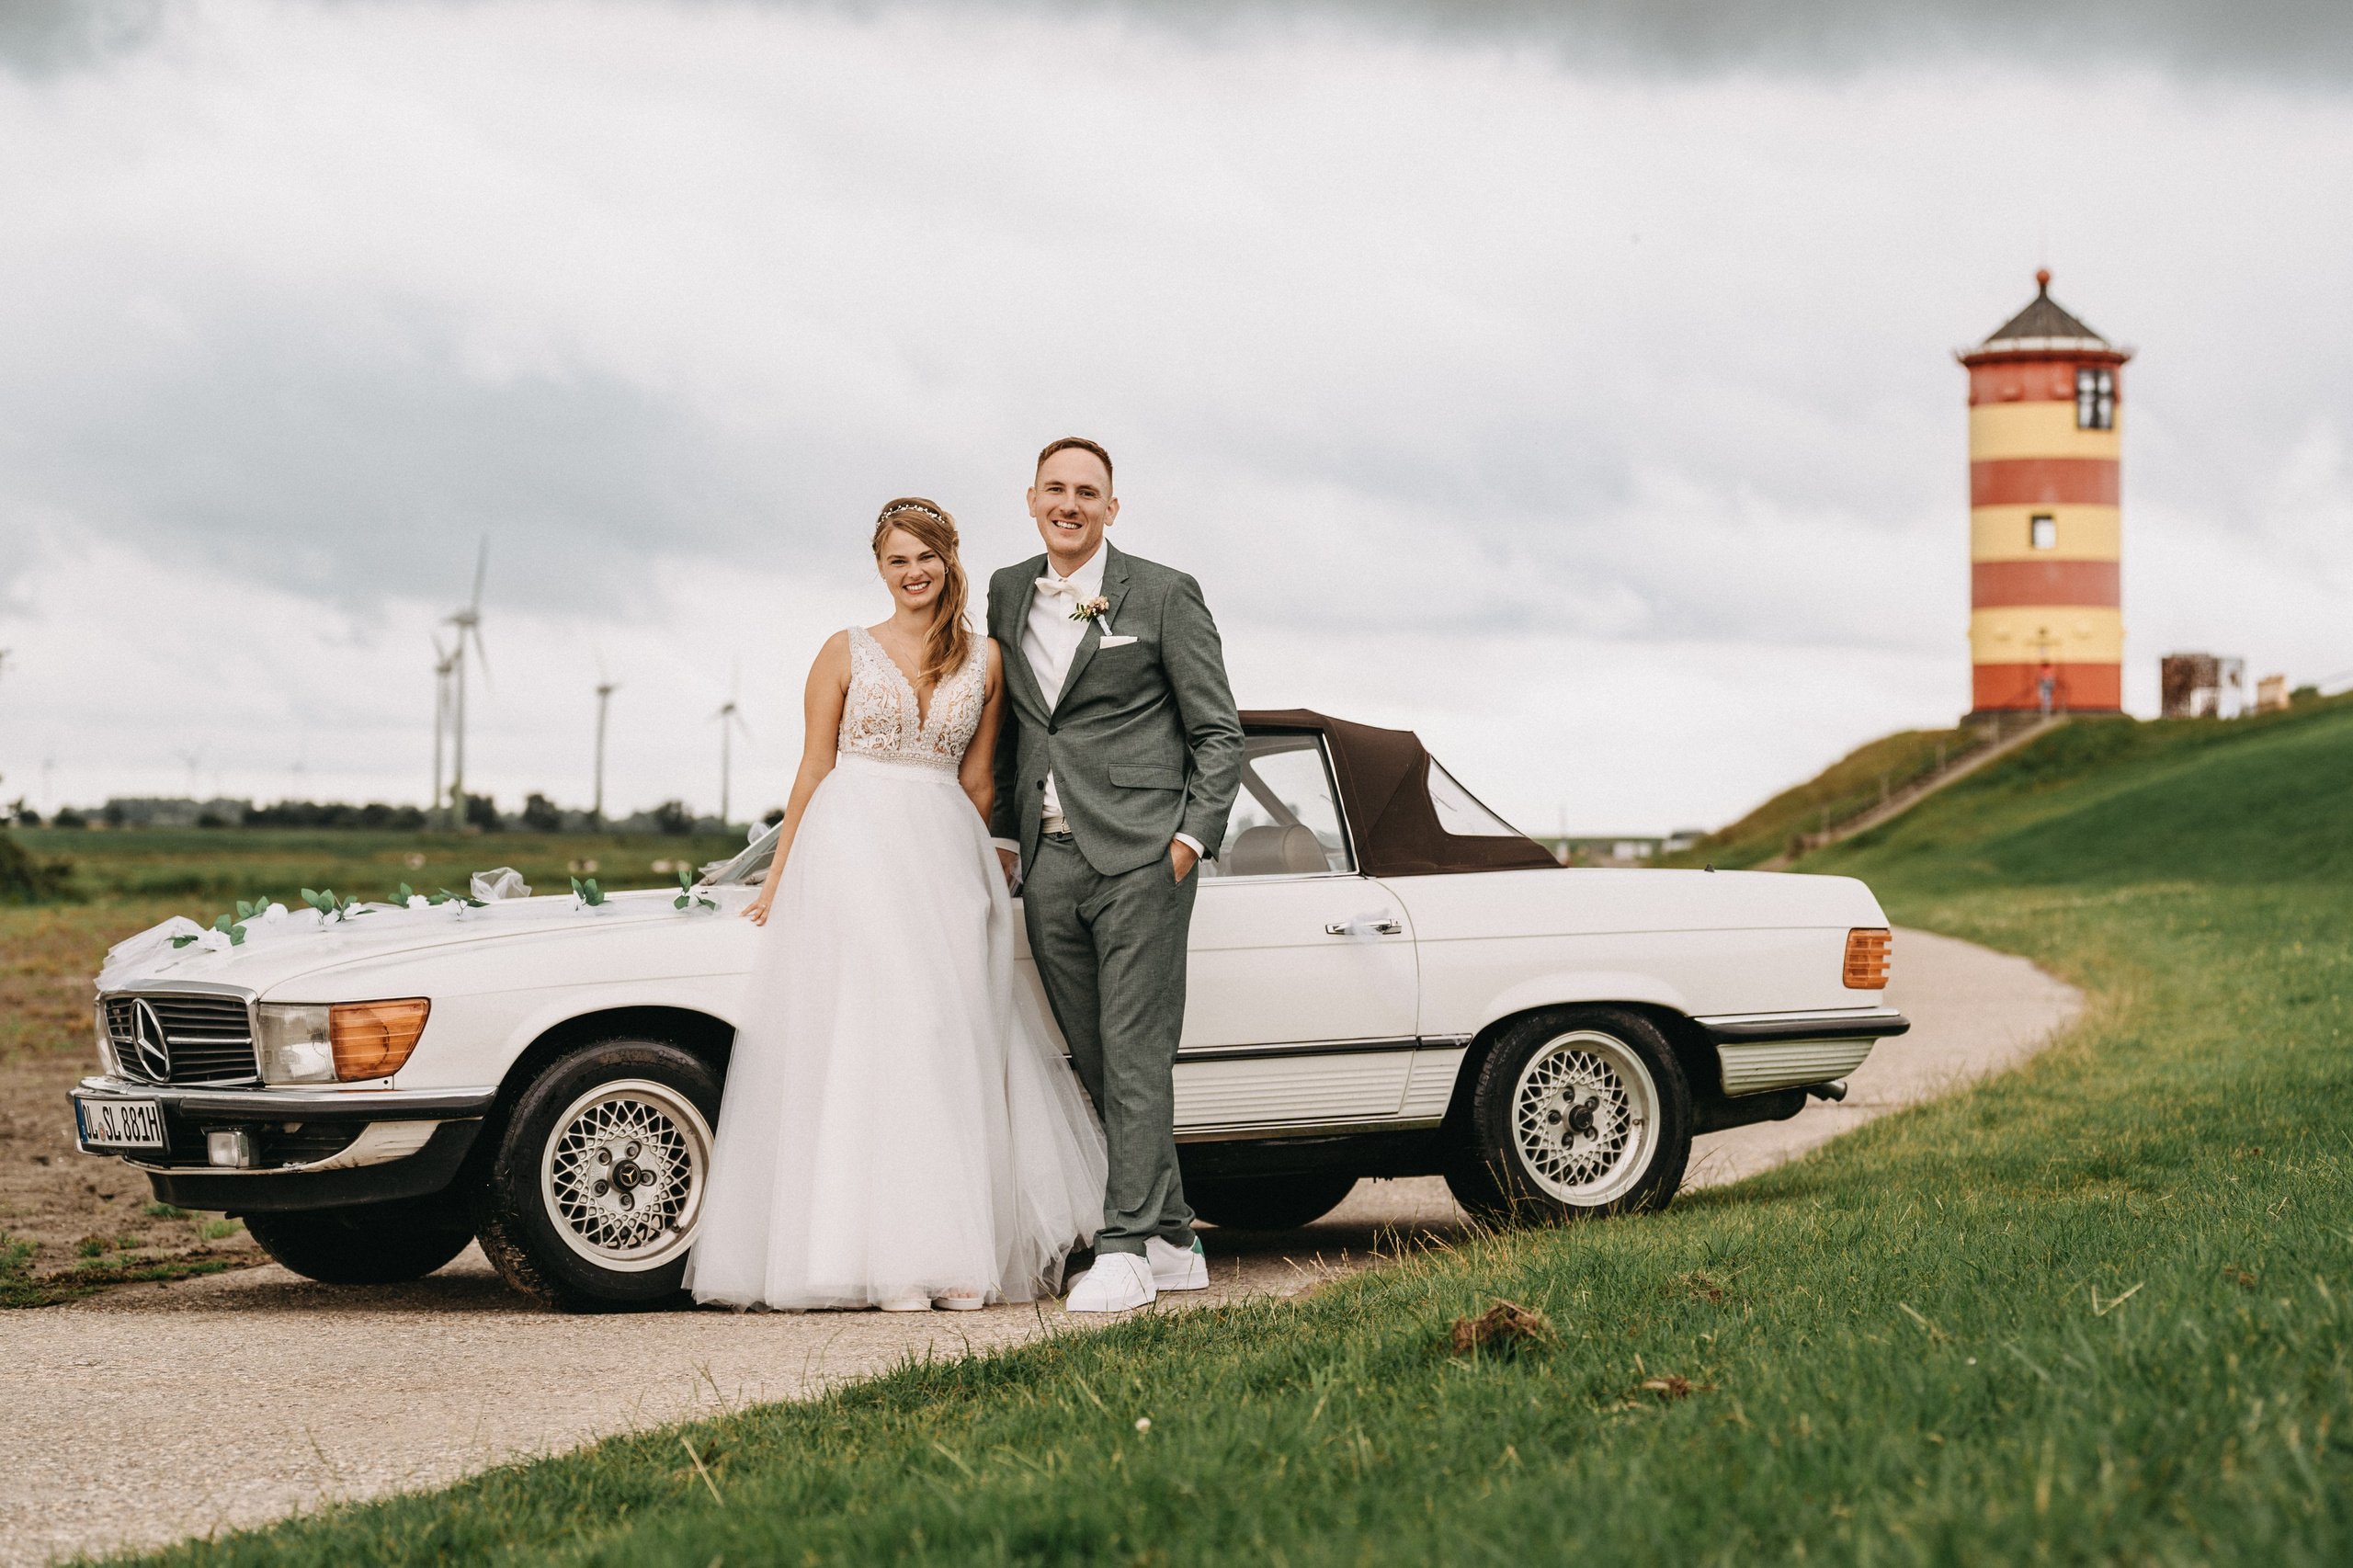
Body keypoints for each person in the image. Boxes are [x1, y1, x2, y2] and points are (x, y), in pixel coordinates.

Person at [687, 499, 1107, 1312]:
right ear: (880, 570)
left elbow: (978, 782)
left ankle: (953, 1254)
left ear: (950, 560)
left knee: (948, 1037)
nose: (914, 573)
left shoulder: (986, 658)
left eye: (926, 557)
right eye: (897, 561)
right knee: (881, 1036)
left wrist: (985, 873)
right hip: (853, 854)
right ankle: (886, 1261)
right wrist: (778, 877)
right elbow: (814, 768)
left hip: (947, 856)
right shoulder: (843, 650)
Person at [987, 437, 1245, 1312]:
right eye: (1055, 489)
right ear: (1032, 499)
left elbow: (1218, 731)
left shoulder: (1165, 592)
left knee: (1136, 1054)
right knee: (1095, 1058)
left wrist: (1189, 842)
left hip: (1142, 855)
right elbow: (1016, 728)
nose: (1070, 504)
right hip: (1049, 860)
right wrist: (1007, 839)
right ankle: (1172, 1237)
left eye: (1087, 492)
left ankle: (1126, 1249)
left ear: (1111, 507)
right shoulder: (1007, 591)